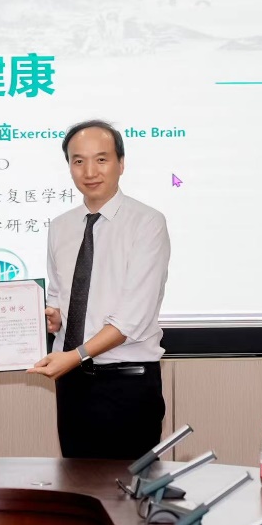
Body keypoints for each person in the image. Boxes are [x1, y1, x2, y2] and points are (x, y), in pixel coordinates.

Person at [29, 120, 171, 459]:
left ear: (121, 163)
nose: (90, 171)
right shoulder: (60, 227)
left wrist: (74, 355)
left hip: (126, 384)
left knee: (130, 489)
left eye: (101, 159)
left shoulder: (147, 223)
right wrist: (52, 318)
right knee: (76, 484)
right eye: (78, 161)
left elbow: (131, 319)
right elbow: (59, 298)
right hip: (72, 384)